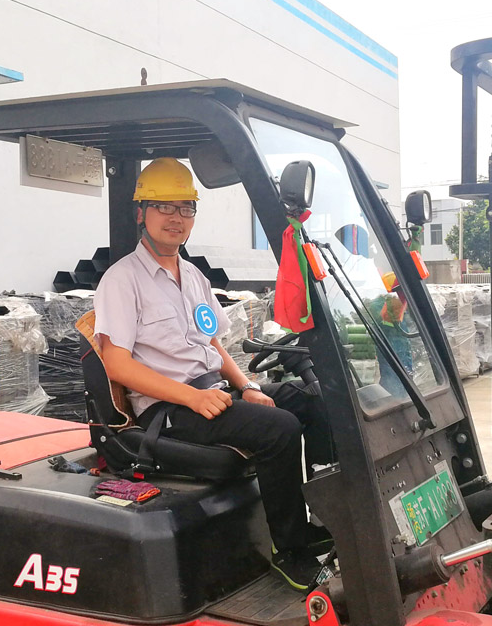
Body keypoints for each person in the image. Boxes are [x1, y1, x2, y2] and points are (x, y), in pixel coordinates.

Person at [93, 157, 333, 591]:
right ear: (141, 212)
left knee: (315, 399)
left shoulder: (193, 276)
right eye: (164, 206)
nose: (176, 217)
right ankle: (290, 551)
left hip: (212, 394)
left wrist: (249, 386)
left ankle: (323, 517)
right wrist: (192, 397)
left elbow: (212, 345)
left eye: (185, 207)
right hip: (169, 409)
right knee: (279, 428)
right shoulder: (122, 279)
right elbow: (117, 364)